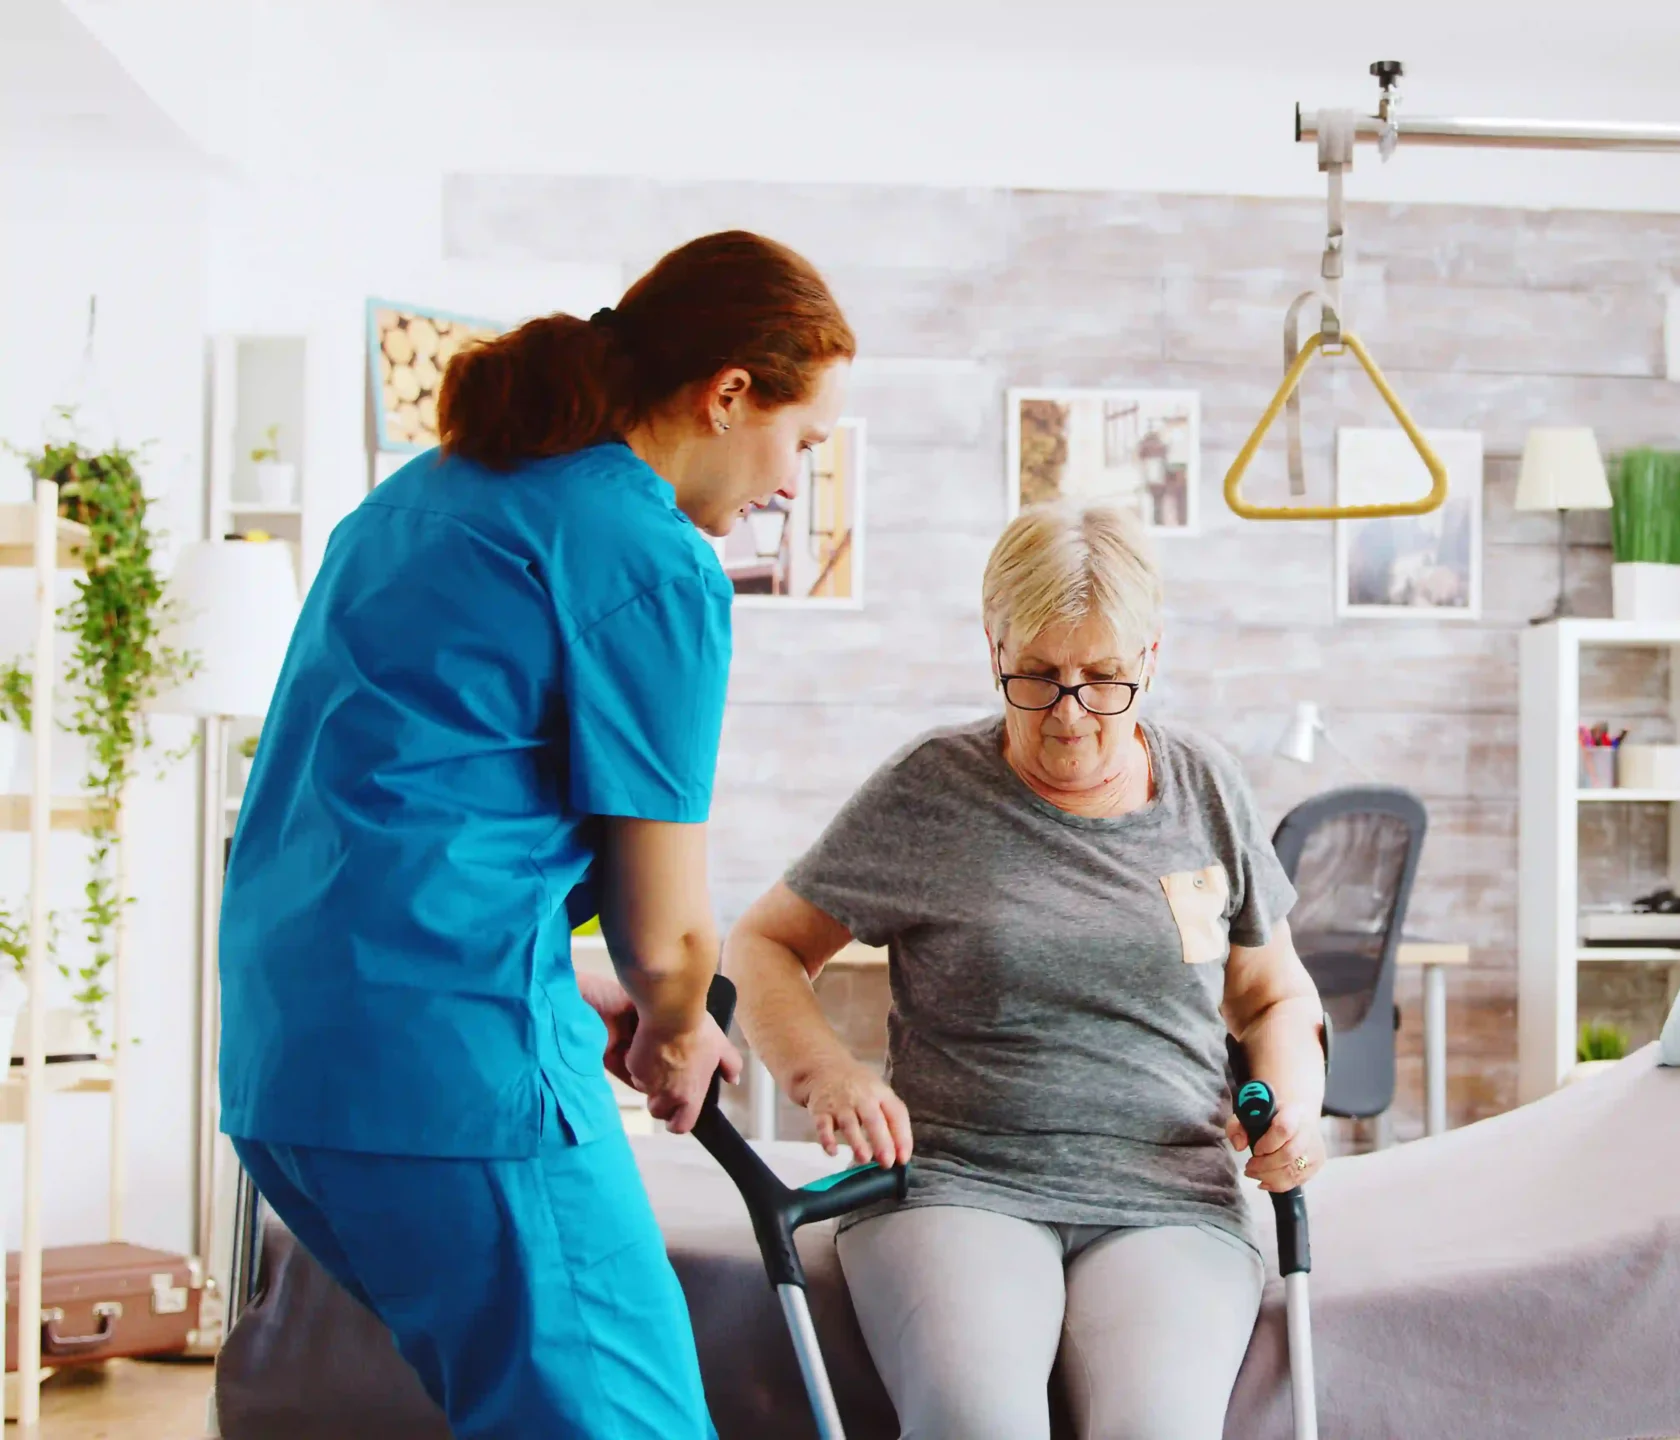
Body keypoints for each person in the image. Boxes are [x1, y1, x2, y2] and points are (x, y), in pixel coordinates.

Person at [219, 230, 854, 1439]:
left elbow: (396, 816)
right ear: (729, 395)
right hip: (448, 1082)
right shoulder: (647, 555)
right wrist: (674, 1027)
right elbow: (672, 938)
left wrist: (574, 978)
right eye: (802, 442)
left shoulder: (421, 496)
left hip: (287, 1073)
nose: (791, 481)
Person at [726, 502, 1332, 1440]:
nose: (1070, 714)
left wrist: (1291, 1103)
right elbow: (761, 944)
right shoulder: (932, 788)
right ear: (993, 644)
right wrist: (827, 1073)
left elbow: (1273, 995)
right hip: (960, 1180)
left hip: (1166, 1192)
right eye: (1039, 677)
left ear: (1152, 658)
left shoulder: (1207, 787)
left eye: (1105, 680)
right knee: (977, 1423)